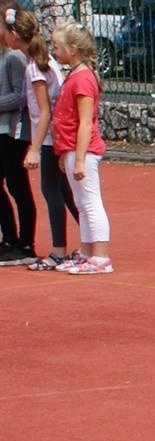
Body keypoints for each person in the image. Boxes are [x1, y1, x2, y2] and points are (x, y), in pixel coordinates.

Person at [10, 8, 78, 270]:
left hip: (51, 138)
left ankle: (59, 251)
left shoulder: (36, 68)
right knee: (64, 192)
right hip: (53, 136)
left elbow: (45, 111)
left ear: (14, 35)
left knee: (52, 192)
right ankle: (89, 245)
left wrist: (35, 148)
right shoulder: (39, 61)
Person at [47, 23, 107, 274]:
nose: (53, 51)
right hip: (72, 149)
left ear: (72, 49)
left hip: (83, 150)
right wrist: (65, 153)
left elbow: (85, 123)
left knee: (91, 202)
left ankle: (101, 257)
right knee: (82, 204)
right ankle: (85, 252)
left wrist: (80, 159)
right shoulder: (75, 74)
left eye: (57, 47)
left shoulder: (82, 78)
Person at [0, 7, 36, 267]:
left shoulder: (14, 58)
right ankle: (10, 238)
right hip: (3, 130)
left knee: (17, 185)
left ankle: (25, 243)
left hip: (14, 131)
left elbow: (20, 96)